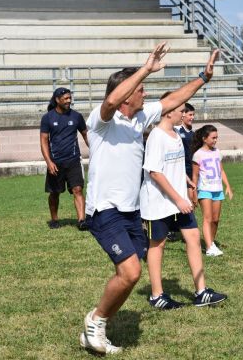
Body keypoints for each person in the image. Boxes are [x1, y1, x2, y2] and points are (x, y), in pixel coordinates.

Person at [80, 42, 220, 354]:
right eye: (141, 89)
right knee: (130, 272)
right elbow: (111, 100)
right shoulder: (101, 121)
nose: (145, 94)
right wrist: (145, 68)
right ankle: (96, 320)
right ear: (126, 95)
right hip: (106, 210)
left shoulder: (140, 119)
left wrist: (203, 77)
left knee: (131, 275)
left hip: (132, 211)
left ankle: (97, 323)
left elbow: (173, 99)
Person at [140, 94, 227, 310]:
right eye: (180, 110)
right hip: (159, 202)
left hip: (180, 201)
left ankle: (201, 292)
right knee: (157, 245)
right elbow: (155, 172)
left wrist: (187, 182)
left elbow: (175, 167)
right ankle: (157, 295)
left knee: (193, 238)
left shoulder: (176, 136)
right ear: (169, 111)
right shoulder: (156, 137)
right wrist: (178, 199)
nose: (184, 113)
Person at [39, 87, 88, 230]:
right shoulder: (47, 118)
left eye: (70, 98)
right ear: (57, 100)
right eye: (65, 98)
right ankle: (54, 219)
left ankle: (81, 220)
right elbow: (43, 141)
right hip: (55, 163)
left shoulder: (77, 117)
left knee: (78, 189)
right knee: (54, 193)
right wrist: (49, 162)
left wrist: (96, 150)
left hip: (73, 161)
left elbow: (86, 135)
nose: (69, 101)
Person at [191, 124, 233, 256]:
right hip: (205, 190)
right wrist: (194, 193)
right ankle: (209, 248)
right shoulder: (198, 155)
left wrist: (228, 186)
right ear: (204, 138)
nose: (215, 140)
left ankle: (211, 242)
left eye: (217, 138)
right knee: (207, 218)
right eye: (213, 137)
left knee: (215, 219)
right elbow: (195, 176)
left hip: (217, 190)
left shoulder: (217, 152)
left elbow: (221, 170)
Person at [167, 102, 197, 242]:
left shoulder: (194, 134)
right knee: (183, 200)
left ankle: (188, 228)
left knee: (192, 201)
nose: (192, 117)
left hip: (192, 172)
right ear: (183, 114)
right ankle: (172, 229)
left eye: (193, 115)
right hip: (180, 172)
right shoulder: (177, 132)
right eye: (190, 114)